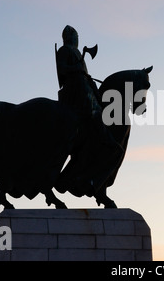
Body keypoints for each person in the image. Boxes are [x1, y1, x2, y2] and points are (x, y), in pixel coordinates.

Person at [55, 25, 123, 198]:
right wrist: (76, 70)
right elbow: (62, 69)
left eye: (76, 36)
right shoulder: (64, 50)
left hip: (84, 88)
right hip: (74, 92)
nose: (76, 39)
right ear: (69, 37)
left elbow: (84, 75)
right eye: (74, 36)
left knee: (98, 105)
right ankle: (102, 135)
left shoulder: (78, 53)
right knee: (94, 113)